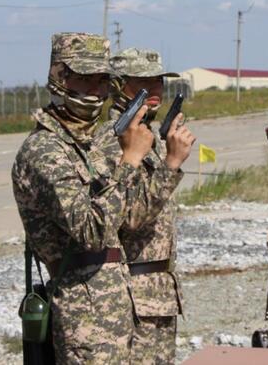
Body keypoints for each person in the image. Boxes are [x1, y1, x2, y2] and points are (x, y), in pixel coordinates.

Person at [12, 33, 155, 363]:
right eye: (85, 79)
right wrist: (130, 160)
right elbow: (91, 231)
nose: (96, 90)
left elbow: (131, 218)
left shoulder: (92, 143)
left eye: (102, 80)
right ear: (61, 79)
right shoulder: (44, 151)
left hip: (114, 302)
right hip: (84, 315)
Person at [93, 47, 195, 365]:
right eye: (143, 82)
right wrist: (172, 164)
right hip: (132, 294)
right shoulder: (113, 141)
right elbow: (129, 217)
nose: (154, 90)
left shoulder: (146, 135)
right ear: (118, 86)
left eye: (159, 82)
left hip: (155, 293)